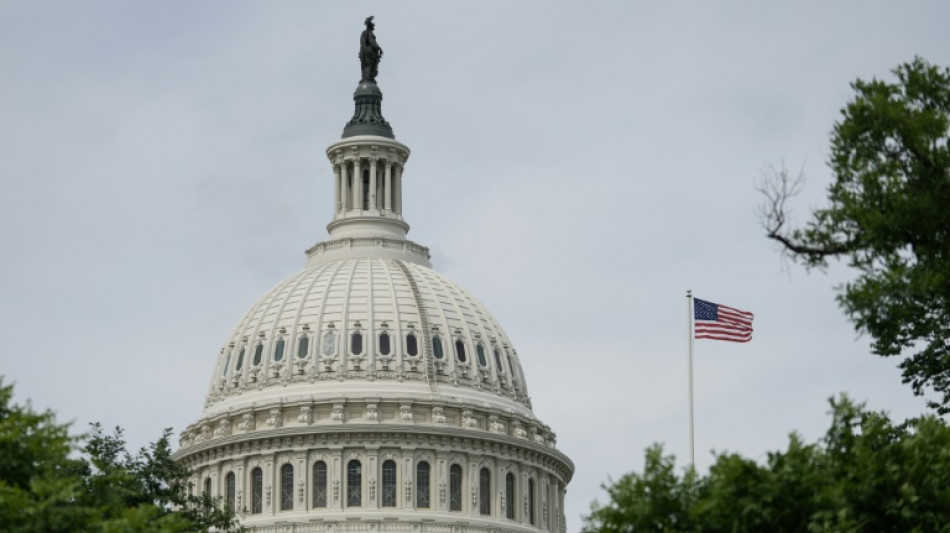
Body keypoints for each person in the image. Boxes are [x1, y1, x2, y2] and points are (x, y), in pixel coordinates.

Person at [359, 16, 383, 83]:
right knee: (370, 65)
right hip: (369, 52)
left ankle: (367, 77)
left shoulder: (365, 33)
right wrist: (378, 48)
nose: (373, 28)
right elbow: (372, 42)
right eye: (373, 26)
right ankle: (368, 77)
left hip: (366, 52)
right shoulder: (368, 33)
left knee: (368, 65)